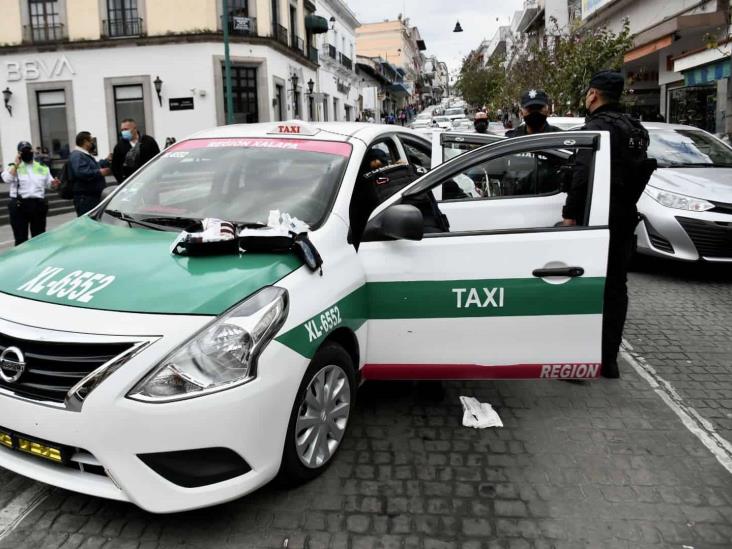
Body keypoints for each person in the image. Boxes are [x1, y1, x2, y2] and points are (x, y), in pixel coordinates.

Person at [561, 70, 656, 379]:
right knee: (616, 288)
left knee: (580, 288)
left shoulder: (596, 130)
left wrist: (569, 213)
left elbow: (581, 176)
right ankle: (609, 360)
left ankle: (577, 362)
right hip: (623, 218)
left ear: (593, 95)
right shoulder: (636, 130)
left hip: (594, 219)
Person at [1, 141, 59, 246]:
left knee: (39, 237)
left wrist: (55, 184)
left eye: (29, 150)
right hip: (19, 205)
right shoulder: (13, 166)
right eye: (24, 151)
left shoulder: (42, 167)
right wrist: (16, 164)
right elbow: (7, 179)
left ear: (32, 151)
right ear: (19, 153)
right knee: (20, 238)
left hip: (38, 204)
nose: (27, 152)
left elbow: (50, 184)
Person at [68, 131, 111, 216]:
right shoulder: (77, 155)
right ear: (85, 142)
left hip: (92, 197)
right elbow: (81, 172)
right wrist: (99, 172)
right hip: (86, 199)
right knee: (88, 224)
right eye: (91, 140)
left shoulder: (84, 155)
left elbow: (93, 167)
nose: (92, 143)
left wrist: (105, 161)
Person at [111, 118, 160, 183]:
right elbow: (115, 167)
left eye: (126, 129)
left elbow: (157, 160)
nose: (124, 132)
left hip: (149, 180)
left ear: (135, 129)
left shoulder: (148, 141)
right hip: (130, 182)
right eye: (122, 130)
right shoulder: (119, 146)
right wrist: (122, 182)